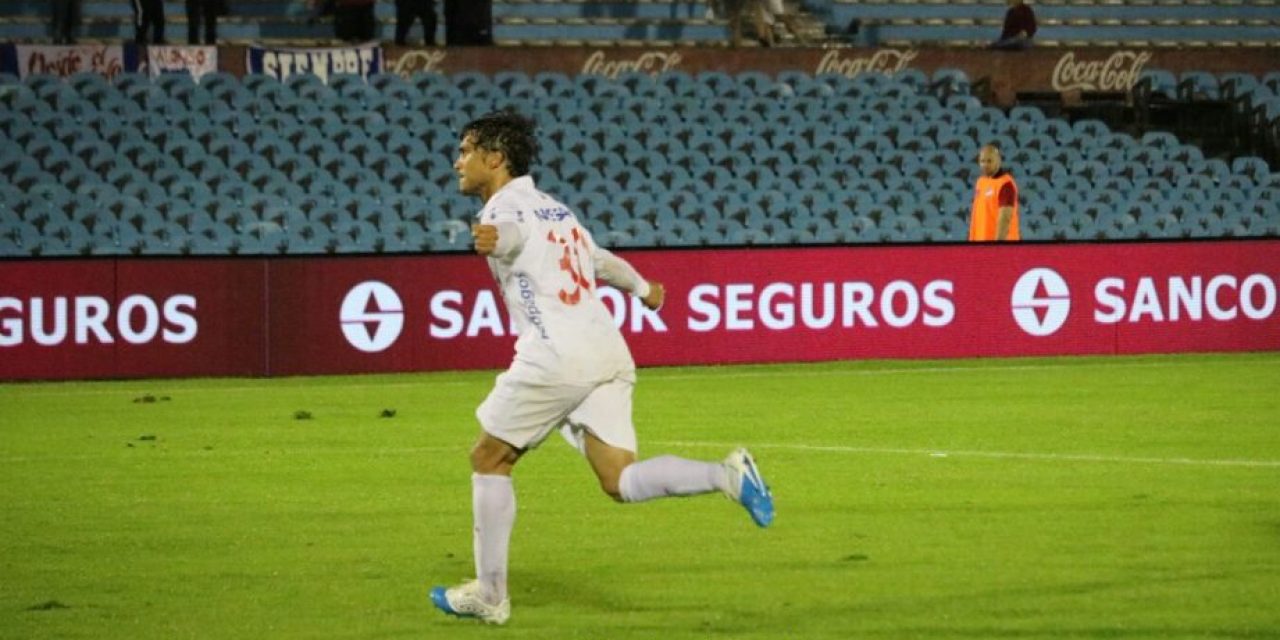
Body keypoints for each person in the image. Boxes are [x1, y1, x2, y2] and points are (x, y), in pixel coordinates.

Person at [429, 111, 775, 625]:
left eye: (465, 150)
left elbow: (508, 234)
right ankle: (726, 476)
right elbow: (599, 259)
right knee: (619, 479)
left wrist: (491, 239)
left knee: (488, 458)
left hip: (556, 356)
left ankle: (490, 594)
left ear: (495, 158)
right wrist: (645, 290)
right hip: (606, 352)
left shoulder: (507, 209)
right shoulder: (556, 210)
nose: (457, 161)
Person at [969, 144, 1021, 241]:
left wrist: (997, 248)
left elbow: (1005, 218)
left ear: (998, 161)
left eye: (989, 161)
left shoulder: (1005, 184)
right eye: (982, 161)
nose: (985, 165)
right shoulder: (981, 182)